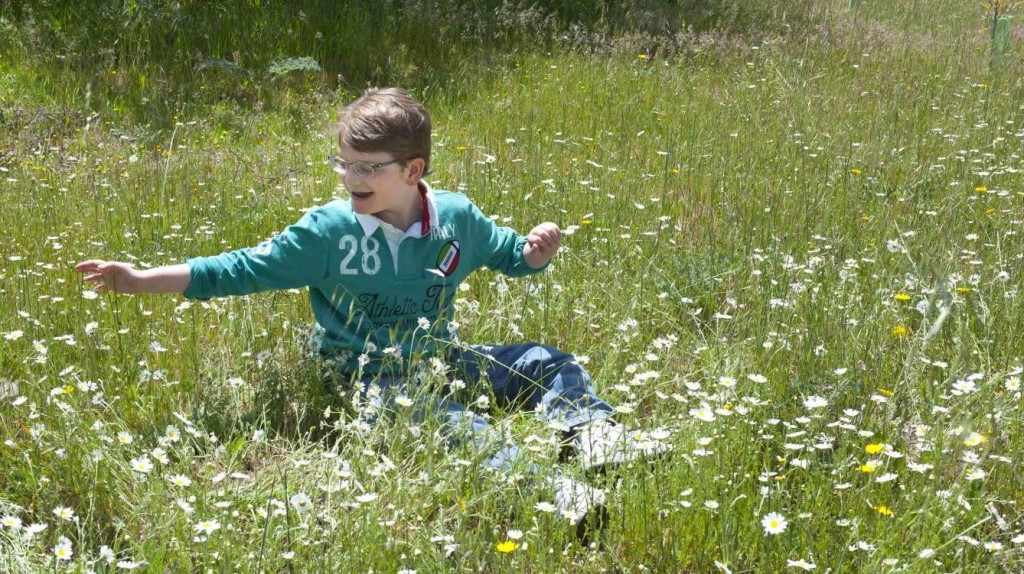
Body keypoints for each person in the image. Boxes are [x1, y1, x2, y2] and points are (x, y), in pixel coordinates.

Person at [76, 87, 669, 541]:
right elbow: (237, 269)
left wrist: (536, 255)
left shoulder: (457, 219)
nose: (350, 178)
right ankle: (558, 495)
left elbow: (511, 255)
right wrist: (137, 280)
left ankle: (592, 438)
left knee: (546, 362)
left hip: (439, 356)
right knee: (459, 426)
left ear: (414, 171)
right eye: (343, 164)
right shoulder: (328, 233)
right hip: (365, 380)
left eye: (368, 166)